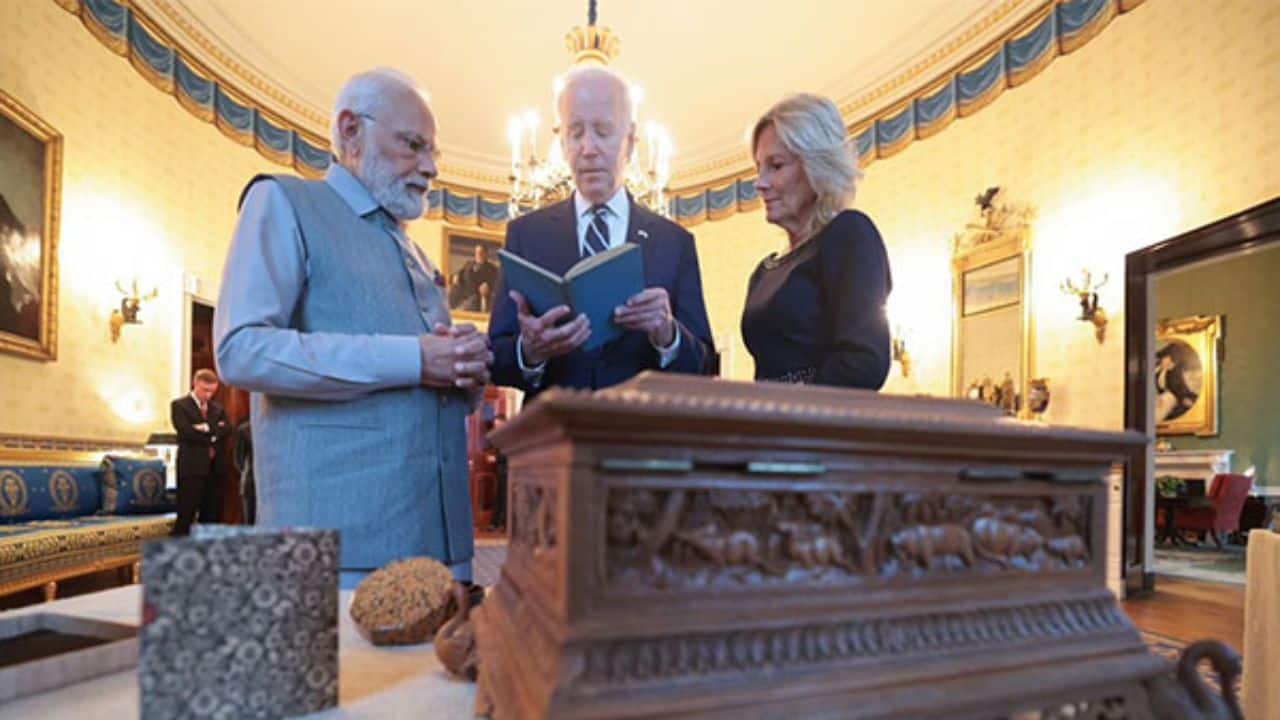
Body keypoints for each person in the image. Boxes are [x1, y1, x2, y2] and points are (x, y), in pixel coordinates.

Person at [213, 68, 493, 589]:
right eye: (413, 145)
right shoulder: (283, 201)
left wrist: (465, 373)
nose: (430, 168)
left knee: (436, 674)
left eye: (433, 152)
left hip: (444, 542)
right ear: (349, 131)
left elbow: (433, 389)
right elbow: (241, 349)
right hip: (338, 548)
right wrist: (416, 358)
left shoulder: (413, 250)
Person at [489, 66, 713, 395]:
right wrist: (531, 351)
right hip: (551, 438)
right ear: (562, 141)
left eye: (603, 131)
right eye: (575, 132)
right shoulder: (525, 234)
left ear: (631, 142)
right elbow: (496, 359)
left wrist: (667, 333)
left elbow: (706, 368)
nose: (588, 148)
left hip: (640, 440)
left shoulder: (674, 242)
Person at [740, 93, 892, 388]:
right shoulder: (763, 271)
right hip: (769, 427)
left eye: (776, 165)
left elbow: (864, 364)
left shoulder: (850, 233)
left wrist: (782, 407)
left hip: (817, 429)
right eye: (759, 168)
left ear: (816, 165)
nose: (760, 183)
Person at [170, 368, 230, 536]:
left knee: (212, 514)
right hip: (191, 469)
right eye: (205, 390)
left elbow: (227, 429)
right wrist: (213, 433)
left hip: (215, 469)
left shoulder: (217, 408)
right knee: (186, 514)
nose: (208, 395)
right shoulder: (179, 405)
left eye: (212, 391)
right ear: (195, 383)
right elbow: (186, 432)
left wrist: (205, 429)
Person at [450, 244, 500, 311]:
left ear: (486, 254)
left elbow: (496, 283)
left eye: (481, 253)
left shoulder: (492, 269)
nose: (478, 255)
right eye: (477, 253)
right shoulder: (469, 264)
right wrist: (455, 276)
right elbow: (459, 273)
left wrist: (488, 287)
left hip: (477, 297)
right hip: (464, 293)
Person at [232, 420, 255, 525]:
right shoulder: (245, 430)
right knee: (250, 519)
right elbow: (238, 459)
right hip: (250, 481)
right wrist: (245, 472)